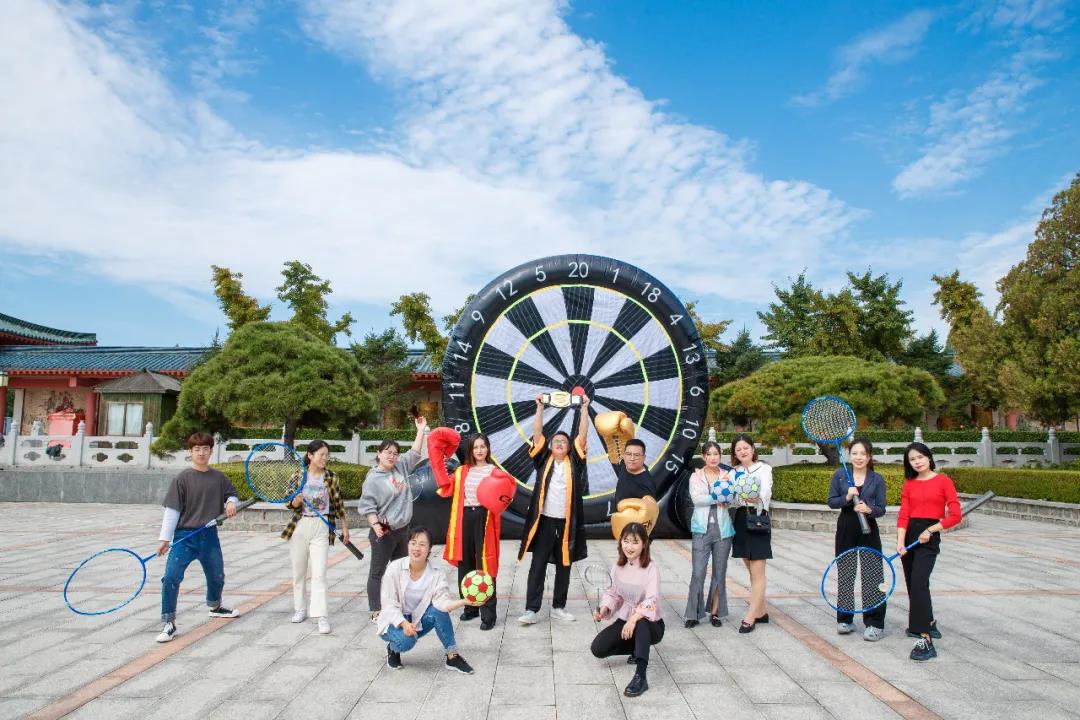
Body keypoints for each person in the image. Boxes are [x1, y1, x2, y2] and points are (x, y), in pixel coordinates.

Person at [155, 432, 240, 643]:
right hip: (185, 536)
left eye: (205, 449)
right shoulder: (182, 479)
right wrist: (165, 539)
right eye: (197, 449)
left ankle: (215, 606)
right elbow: (172, 510)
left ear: (211, 451)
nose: (201, 453)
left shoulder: (218, 478)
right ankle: (169, 622)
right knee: (171, 577)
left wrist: (231, 502)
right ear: (190, 452)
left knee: (217, 575)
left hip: (209, 535)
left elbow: (231, 494)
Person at [517, 393, 591, 624]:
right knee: (537, 565)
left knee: (564, 565)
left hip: (567, 523)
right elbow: (537, 434)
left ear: (569, 447)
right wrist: (539, 408)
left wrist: (584, 409)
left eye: (563, 442)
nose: (559, 443)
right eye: (556, 441)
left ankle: (559, 606)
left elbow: (582, 435)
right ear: (550, 446)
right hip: (545, 521)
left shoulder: (575, 461)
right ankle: (531, 609)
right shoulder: (543, 459)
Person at [358, 413, 428, 624]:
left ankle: (398, 605)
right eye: (388, 452)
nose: (392, 456)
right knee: (378, 572)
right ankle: (376, 609)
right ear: (379, 453)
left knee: (400, 571)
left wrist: (420, 431)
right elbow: (368, 505)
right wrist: (375, 525)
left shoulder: (401, 466)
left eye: (395, 453)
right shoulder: (373, 479)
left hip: (402, 530)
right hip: (384, 531)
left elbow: (414, 452)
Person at [378, 527, 478, 674]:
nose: (416, 548)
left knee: (438, 611)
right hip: (393, 621)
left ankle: (452, 656)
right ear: (408, 545)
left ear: (429, 549)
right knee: (407, 641)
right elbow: (388, 604)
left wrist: (464, 602)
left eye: (422, 544)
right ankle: (393, 648)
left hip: (416, 620)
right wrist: (403, 623)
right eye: (413, 543)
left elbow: (442, 603)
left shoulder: (436, 573)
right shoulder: (395, 568)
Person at [897, 442, 962, 661]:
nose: (917, 462)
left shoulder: (944, 481)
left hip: (929, 537)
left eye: (920, 457)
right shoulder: (909, 484)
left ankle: (925, 640)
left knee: (919, 583)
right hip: (909, 536)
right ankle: (929, 622)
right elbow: (904, 515)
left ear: (929, 457)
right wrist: (900, 543)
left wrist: (931, 530)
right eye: (912, 459)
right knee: (913, 585)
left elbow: (955, 516)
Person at [280, 439, 349, 634]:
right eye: (321, 455)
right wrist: (296, 501)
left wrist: (345, 526)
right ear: (310, 455)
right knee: (299, 571)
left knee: (319, 573)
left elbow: (338, 503)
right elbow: (288, 502)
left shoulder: (331, 477)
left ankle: (321, 615)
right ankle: (300, 608)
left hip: (321, 526)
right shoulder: (298, 475)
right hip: (301, 525)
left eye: (327, 455)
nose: (324, 458)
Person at [437, 432, 504, 630]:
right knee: (465, 563)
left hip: (485, 518)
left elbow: (504, 497)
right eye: (476, 447)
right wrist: (439, 461)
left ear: (488, 449)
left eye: (483, 446)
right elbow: (446, 488)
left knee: (485, 564)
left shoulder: (495, 472)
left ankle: (488, 615)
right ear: (470, 450)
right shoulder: (462, 471)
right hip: (464, 517)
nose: (479, 450)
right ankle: (470, 608)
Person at [590, 523, 665, 698]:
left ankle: (641, 677)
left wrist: (633, 619)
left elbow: (652, 599)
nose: (629, 547)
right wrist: (605, 609)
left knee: (642, 623)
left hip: (651, 624)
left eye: (635, 542)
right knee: (598, 648)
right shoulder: (618, 566)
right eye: (626, 541)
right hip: (627, 619)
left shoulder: (651, 567)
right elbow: (613, 594)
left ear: (644, 544)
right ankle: (636, 648)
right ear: (620, 542)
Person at [827, 438, 887, 640]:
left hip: (869, 528)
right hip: (846, 527)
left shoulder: (877, 479)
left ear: (869, 457)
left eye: (863, 454)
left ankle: (874, 623)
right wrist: (846, 497)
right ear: (849, 455)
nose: (859, 457)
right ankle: (844, 619)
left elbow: (881, 508)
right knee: (846, 574)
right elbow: (831, 502)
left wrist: (869, 509)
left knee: (872, 575)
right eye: (855, 453)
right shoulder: (840, 476)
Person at [685, 441, 734, 628]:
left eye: (716, 454)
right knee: (698, 573)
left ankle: (715, 613)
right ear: (703, 456)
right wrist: (717, 497)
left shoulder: (727, 475)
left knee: (719, 573)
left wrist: (728, 499)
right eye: (709, 454)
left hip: (723, 531)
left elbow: (733, 498)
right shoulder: (696, 476)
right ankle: (693, 614)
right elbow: (697, 499)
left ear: (720, 456)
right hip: (701, 530)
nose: (713, 457)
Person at [728, 433, 772, 633]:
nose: (743, 451)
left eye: (746, 447)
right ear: (735, 454)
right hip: (740, 518)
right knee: (750, 566)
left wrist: (756, 498)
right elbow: (732, 498)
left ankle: (750, 616)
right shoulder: (733, 472)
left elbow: (766, 492)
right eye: (738, 449)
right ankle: (761, 611)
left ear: (753, 449)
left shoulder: (764, 468)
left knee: (758, 569)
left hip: (758, 518)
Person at [614, 438, 656, 503]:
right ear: (624, 455)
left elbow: (650, 506)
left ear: (644, 457)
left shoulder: (647, 485)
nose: (632, 458)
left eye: (636, 455)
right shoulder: (625, 465)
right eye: (628, 454)